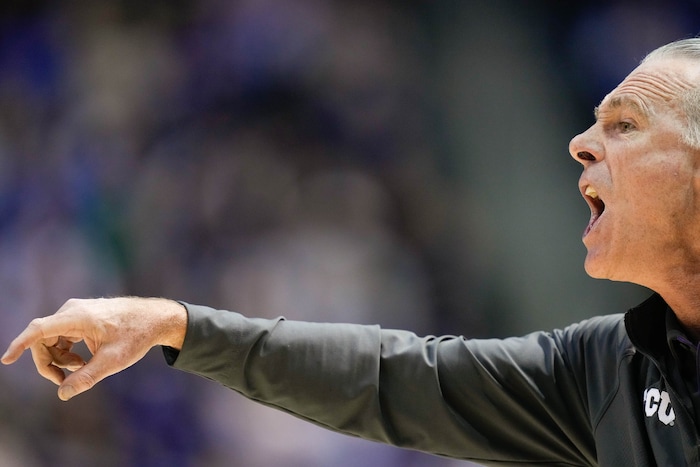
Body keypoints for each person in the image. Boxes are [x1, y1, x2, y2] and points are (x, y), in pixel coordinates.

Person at [4, 37, 700, 466]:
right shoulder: (611, 371)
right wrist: (173, 324)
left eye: (625, 123)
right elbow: (391, 379)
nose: (580, 141)